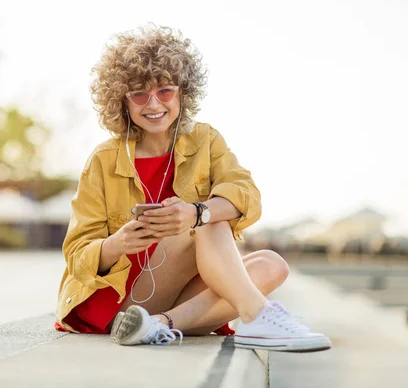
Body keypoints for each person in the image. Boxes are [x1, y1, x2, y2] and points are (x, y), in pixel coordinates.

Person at [54, 25, 331, 352]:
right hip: (115, 297)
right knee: (208, 222)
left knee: (272, 265)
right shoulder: (103, 160)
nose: (153, 103)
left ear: (183, 92)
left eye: (165, 91)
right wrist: (117, 244)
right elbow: (76, 254)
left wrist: (197, 212)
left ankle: (157, 326)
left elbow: (247, 193)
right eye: (140, 94)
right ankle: (259, 316)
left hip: (169, 295)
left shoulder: (204, 140)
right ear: (123, 102)